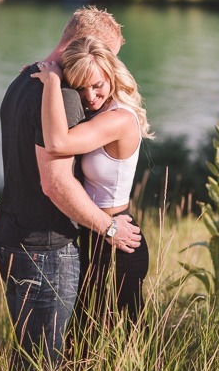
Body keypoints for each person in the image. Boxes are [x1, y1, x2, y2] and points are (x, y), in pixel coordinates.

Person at [0, 6, 142, 371]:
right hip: (47, 247)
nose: (95, 87)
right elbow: (56, 182)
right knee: (44, 363)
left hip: (12, 237)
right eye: (101, 55)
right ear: (82, 45)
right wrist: (108, 227)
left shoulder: (23, 82)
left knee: (41, 353)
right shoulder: (61, 96)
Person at [31, 35, 152, 332]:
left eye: (97, 85)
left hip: (116, 238)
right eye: (80, 87)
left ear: (112, 74)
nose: (89, 96)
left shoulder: (119, 118)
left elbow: (58, 143)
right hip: (97, 231)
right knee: (86, 333)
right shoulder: (98, 113)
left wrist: (51, 84)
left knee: (121, 338)